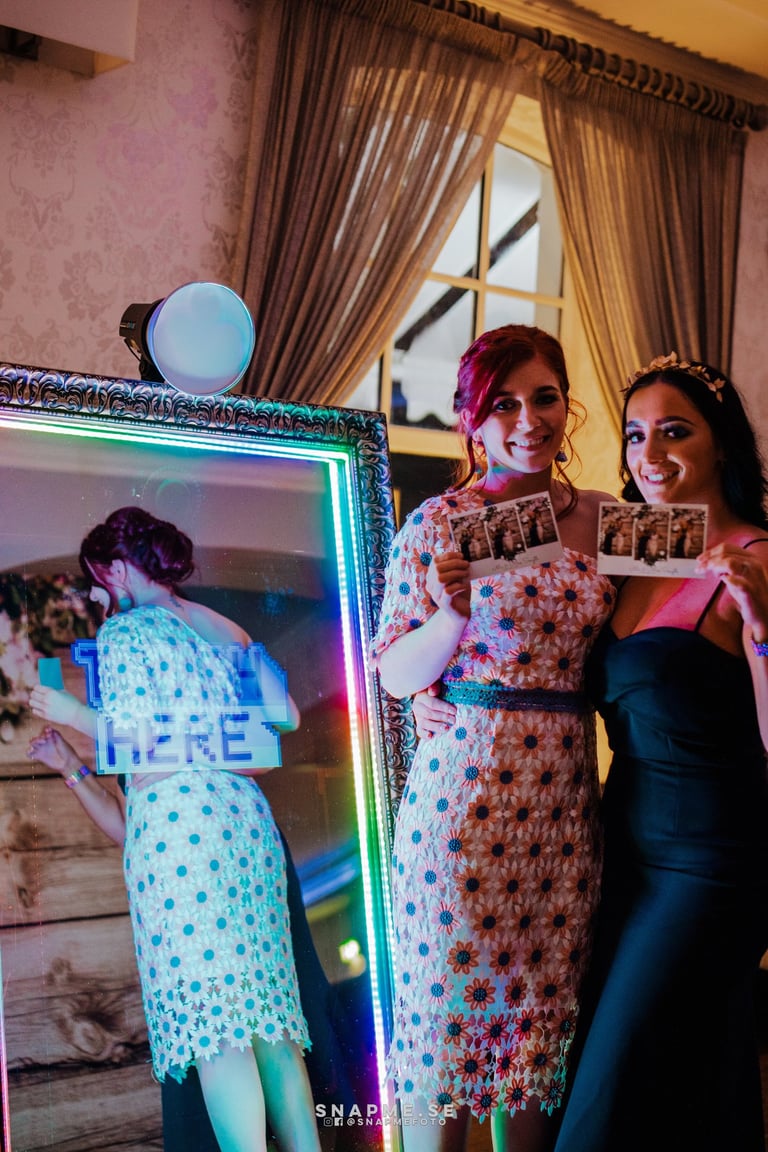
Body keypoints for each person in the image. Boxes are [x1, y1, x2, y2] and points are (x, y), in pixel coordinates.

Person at [369, 325, 616, 1152]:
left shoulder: (601, 520)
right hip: (464, 812)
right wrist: (448, 620)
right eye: (503, 404)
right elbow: (394, 672)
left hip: (564, 819)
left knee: (536, 1052)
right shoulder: (444, 522)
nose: (528, 419)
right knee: (446, 1043)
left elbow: (711, 560)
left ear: (568, 404)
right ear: (471, 420)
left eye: (544, 397)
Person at [27, 506, 322, 1152]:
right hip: (244, 825)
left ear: (116, 569)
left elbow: (133, 741)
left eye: (98, 580)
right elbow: (286, 715)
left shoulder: (128, 632)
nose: (98, 595)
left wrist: (73, 711)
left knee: (217, 1029)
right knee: (269, 1023)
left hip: (180, 832)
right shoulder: (227, 628)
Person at [549, 353, 768, 1152]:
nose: (651, 454)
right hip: (619, 853)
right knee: (675, 1090)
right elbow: (493, 565)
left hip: (708, 868)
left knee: (605, 1106)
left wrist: (763, 627)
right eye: (637, 435)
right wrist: (437, 684)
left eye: (676, 431)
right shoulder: (644, 542)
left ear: (722, 443)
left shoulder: (758, 555)